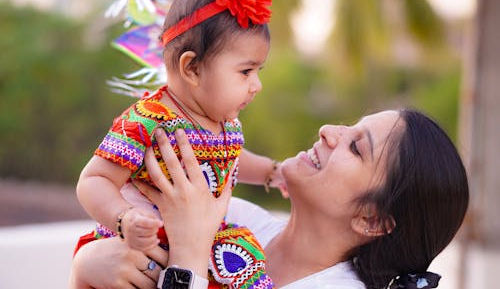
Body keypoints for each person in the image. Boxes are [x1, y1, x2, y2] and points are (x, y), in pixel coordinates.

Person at [70, 108, 469, 289]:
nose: (330, 130)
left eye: (355, 148)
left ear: (371, 219)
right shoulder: (239, 219)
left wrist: (189, 253)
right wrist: (86, 269)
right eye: (349, 126)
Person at [74, 0, 285, 289]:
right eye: (246, 72)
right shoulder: (147, 120)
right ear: (192, 68)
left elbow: (234, 159)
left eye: (258, 71)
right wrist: (124, 217)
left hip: (204, 242)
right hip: (146, 244)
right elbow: (95, 179)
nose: (256, 85)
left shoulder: (224, 123)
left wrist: (272, 172)